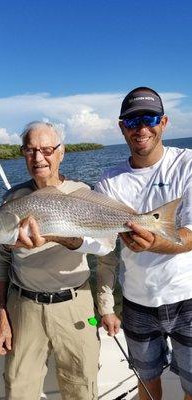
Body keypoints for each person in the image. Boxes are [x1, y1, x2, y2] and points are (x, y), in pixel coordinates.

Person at [0, 121, 114, 400]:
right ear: (23, 154)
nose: (38, 158)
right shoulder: (12, 199)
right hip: (23, 307)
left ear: (61, 152)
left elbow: (106, 251)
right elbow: (0, 259)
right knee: (18, 389)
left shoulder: (84, 193)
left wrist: (106, 307)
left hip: (76, 305)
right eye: (30, 150)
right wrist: (1, 315)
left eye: (47, 149)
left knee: (82, 387)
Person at [95, 87, 192, 400]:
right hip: (137, 302)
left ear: (163, 122)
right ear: (122, 127)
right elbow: (102, 249)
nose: (141, 128)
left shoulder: (187, 165)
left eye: (149, 118)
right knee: (146, 384)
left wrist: (154, 244)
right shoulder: (108, 181)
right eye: (132, 121)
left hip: (187, 297)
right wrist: (106, 305)